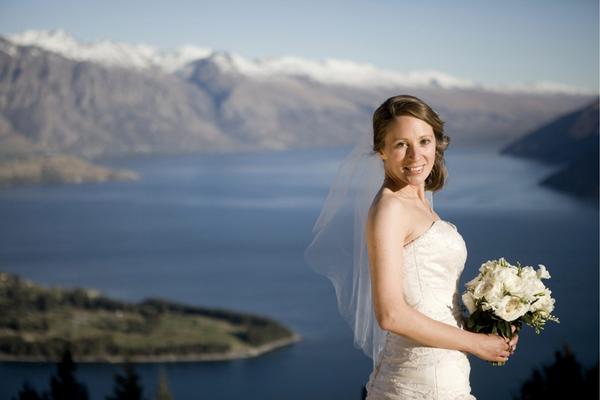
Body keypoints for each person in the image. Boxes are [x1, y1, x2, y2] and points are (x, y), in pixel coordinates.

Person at [305, 94, 519, 400]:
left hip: (446, 376)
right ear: (381, 150)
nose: (415, 156)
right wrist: (476, 344)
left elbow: (431, 298)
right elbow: (391, 314)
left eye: (424, 141)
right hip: (419, 384)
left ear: (437, 143)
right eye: (401, 144)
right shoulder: (390, 209)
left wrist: (493, 326)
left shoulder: (418, 203)